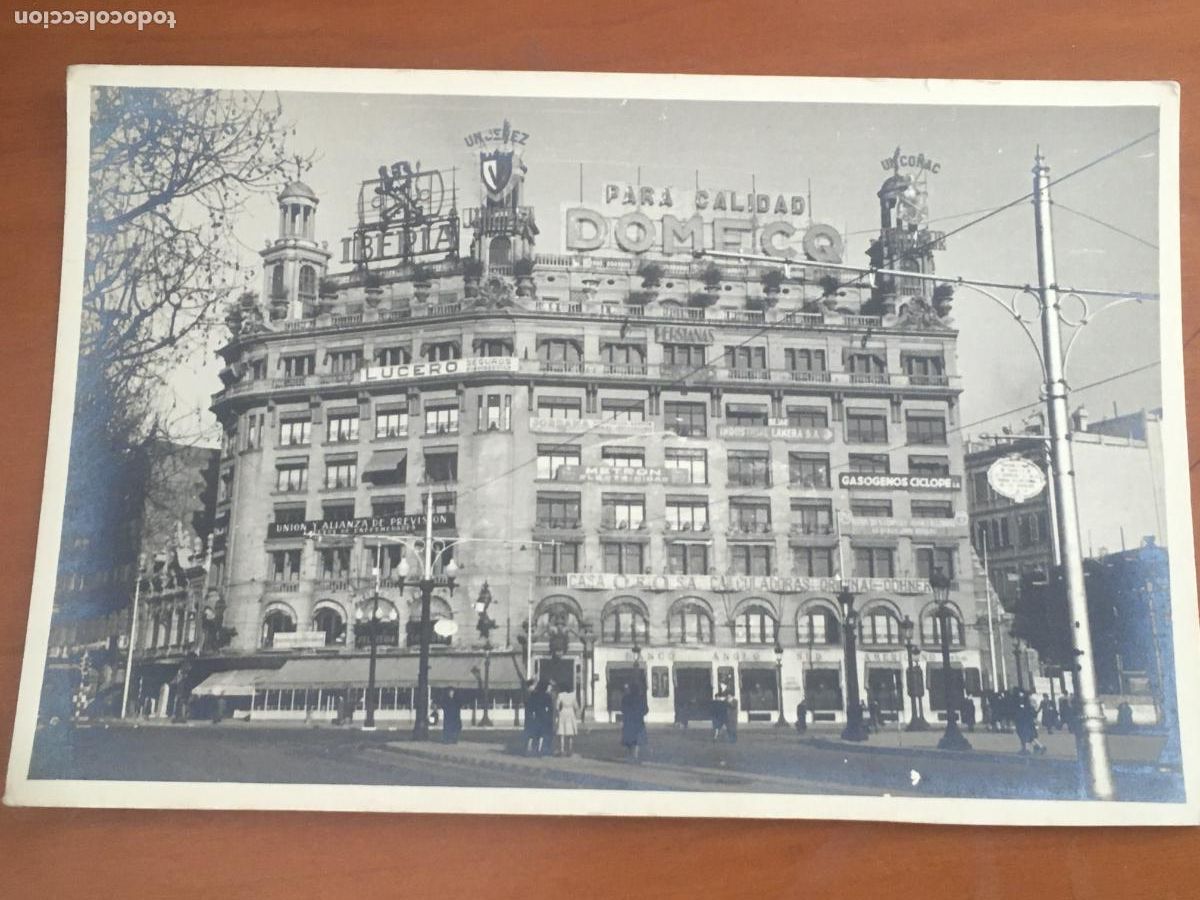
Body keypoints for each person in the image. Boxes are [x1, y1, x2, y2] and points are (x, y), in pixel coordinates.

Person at [620, 682, 649, 762]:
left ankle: (630, 756)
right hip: (638, 722)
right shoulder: (641, 698)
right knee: (637, 741)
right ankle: (635, 756)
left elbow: (622, 709)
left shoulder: (626, 698)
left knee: (629, 740)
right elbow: (646, 710)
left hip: (628, 722)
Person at [1014, 691, 1047, 755]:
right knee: (1031, 736)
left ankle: (1027, 749)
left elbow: (1020, 714)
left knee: (1026, 736)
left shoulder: (1021, 705)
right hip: (1029, 723)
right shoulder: (1029, 704)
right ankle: (1039, 746)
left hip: (1024, 723)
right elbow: (1034, 713)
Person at [556, 687, 579, 756]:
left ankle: (562, 749)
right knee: (570, 732)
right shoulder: (573, 695)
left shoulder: (560, 695)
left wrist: (558, 712)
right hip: (570, 713)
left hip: (563, 712)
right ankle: (570, 749)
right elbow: (576, 706)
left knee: (562, 732)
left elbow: (557, 705)